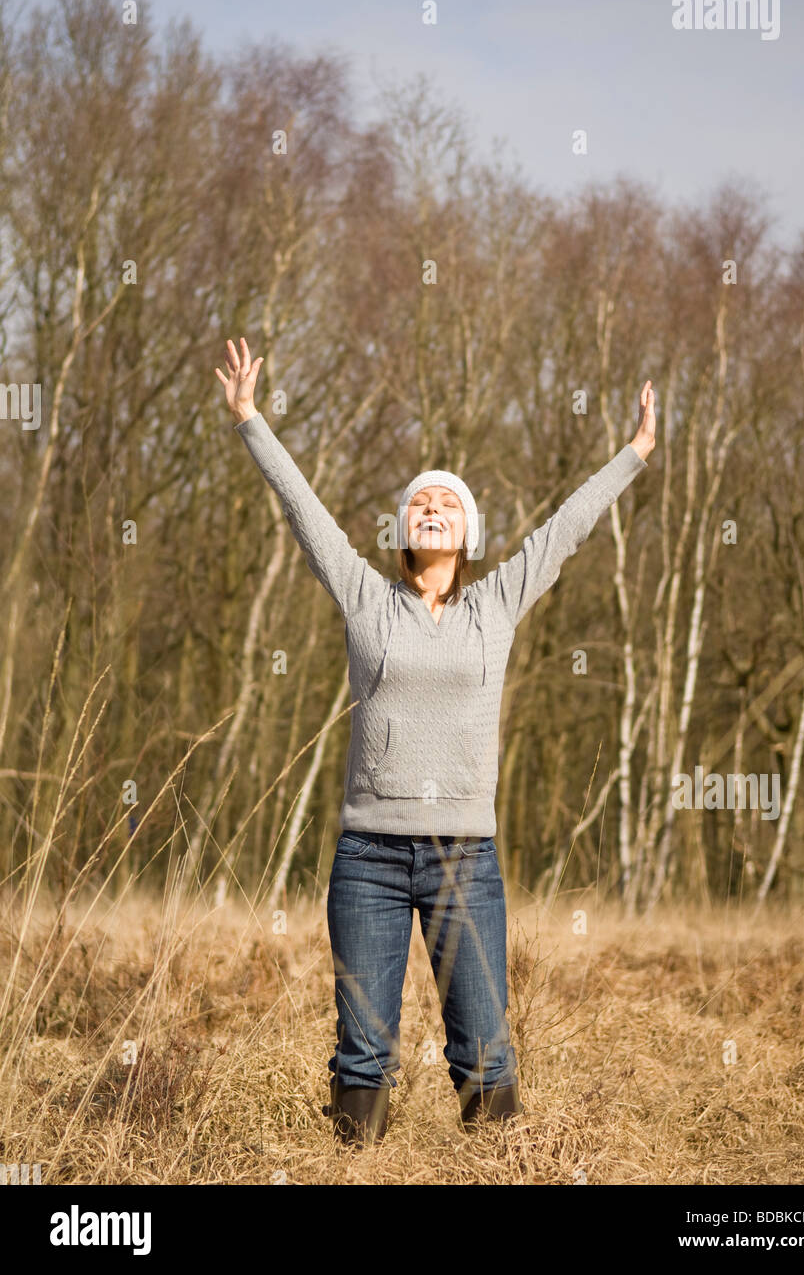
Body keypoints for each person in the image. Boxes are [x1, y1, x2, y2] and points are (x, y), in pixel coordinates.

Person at [216, 337, 655, 1147]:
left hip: (465, 858)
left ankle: (496, 1167)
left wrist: (632, 453)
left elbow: (565, 528)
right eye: (419, 502)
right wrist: (250, 419)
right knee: (361, 1055)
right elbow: (303, 509)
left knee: (485, 1053)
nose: (430, 509)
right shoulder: (365, 600)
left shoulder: (495, 607)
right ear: (401, 527)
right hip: (368, 861)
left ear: (467, 529)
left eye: (444, 503)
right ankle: (356, 1169)